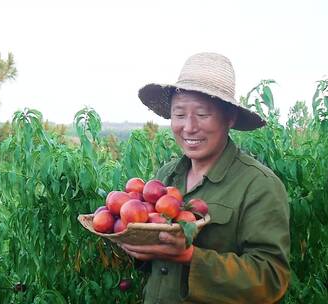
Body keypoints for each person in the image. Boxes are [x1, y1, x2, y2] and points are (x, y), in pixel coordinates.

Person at [119, 52, 290, 303]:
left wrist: (190, 257)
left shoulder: (258, 185)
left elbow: (271, 278)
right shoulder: (166, 176)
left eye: (202, 114)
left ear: (229, 118)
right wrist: (137, 246)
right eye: (179, 115)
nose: (188, 127)